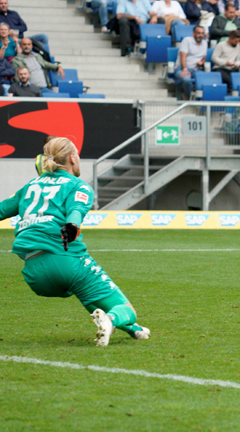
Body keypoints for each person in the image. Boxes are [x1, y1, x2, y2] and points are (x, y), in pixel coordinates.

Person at [0, 137, 151, 346]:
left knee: (91, 296)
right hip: (66, 262)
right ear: (72, 158)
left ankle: (134, 330)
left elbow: (2, 209)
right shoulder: (78, 186)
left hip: (33, 272)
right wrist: (71, 227)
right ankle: (114, 320)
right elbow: (75, 210)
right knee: (127, 310)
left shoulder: (30, 186)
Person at [176, 25, 207, 100]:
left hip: (196, 70)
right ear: (193, 34)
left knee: (206, 79)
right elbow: (182, 56)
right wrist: (185, 69)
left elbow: (204, 57)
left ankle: (202, 100)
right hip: (181, 68)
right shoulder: (187, 40)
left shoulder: (205, 43)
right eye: (198, 33)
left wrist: (201, 62)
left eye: (202, 33)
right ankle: (189, 97)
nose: (201, 35)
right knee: (186, 79)